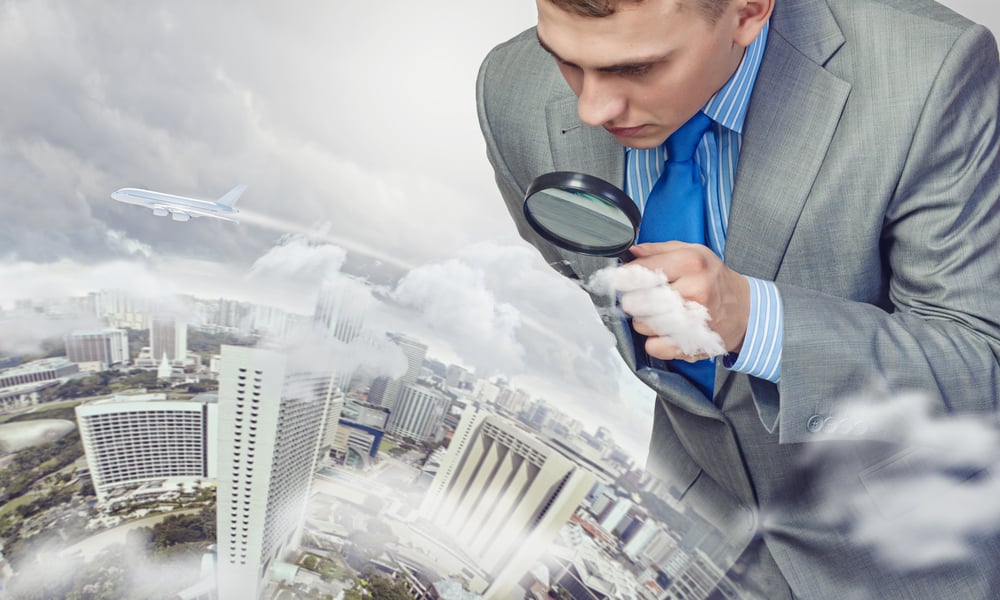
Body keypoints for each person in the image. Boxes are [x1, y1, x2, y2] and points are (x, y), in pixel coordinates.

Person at [477, 0, 1000, 597]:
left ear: (749, 11)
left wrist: (757, 323)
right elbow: (581, 268)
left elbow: (983, 363)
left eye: (639, 68)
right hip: (685, 548)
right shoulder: (511, 92)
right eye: (565, 61)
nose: (592, 109)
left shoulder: (930, 73)